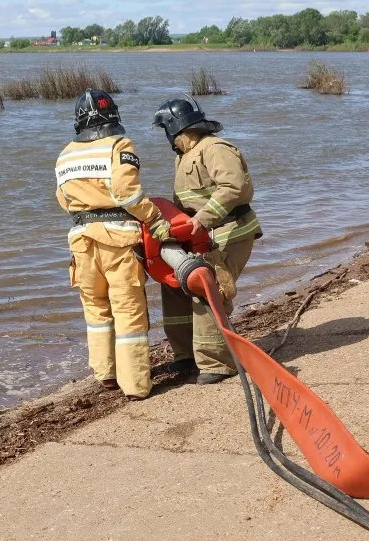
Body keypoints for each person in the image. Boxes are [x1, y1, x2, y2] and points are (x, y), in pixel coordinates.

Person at [56, 89, 172, 400]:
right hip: (119, 242)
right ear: (113, 116)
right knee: (128, 311)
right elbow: (127, 193)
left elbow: (63, 200)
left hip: (81, 242)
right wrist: (156, 220)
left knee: (96, 310)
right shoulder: (119, 145)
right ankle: (135, 385)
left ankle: (105, 373)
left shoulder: (65, 154)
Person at [152, 96, 261, 384]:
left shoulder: (215, 149)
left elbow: (233, 187)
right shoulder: (184, 155)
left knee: (209, 287)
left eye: (165, 131)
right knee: (175, 287)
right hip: (199, 237)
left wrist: (202, 219)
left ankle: (218, 363)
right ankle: (185, 354)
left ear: (174, 128)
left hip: (230, 231)